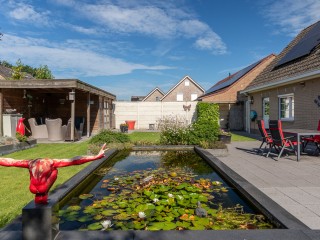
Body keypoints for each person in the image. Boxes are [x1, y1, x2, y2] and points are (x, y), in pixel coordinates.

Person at [0, 143, 108, 204]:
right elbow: (75, 160)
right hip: (43, 188)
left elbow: (10, 162)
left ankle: (39, 197)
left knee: (33, 175)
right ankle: (44, 194)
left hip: (33, 188)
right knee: (55, 171)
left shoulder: (30, 163)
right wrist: (95, 157)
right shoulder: (51, 163)